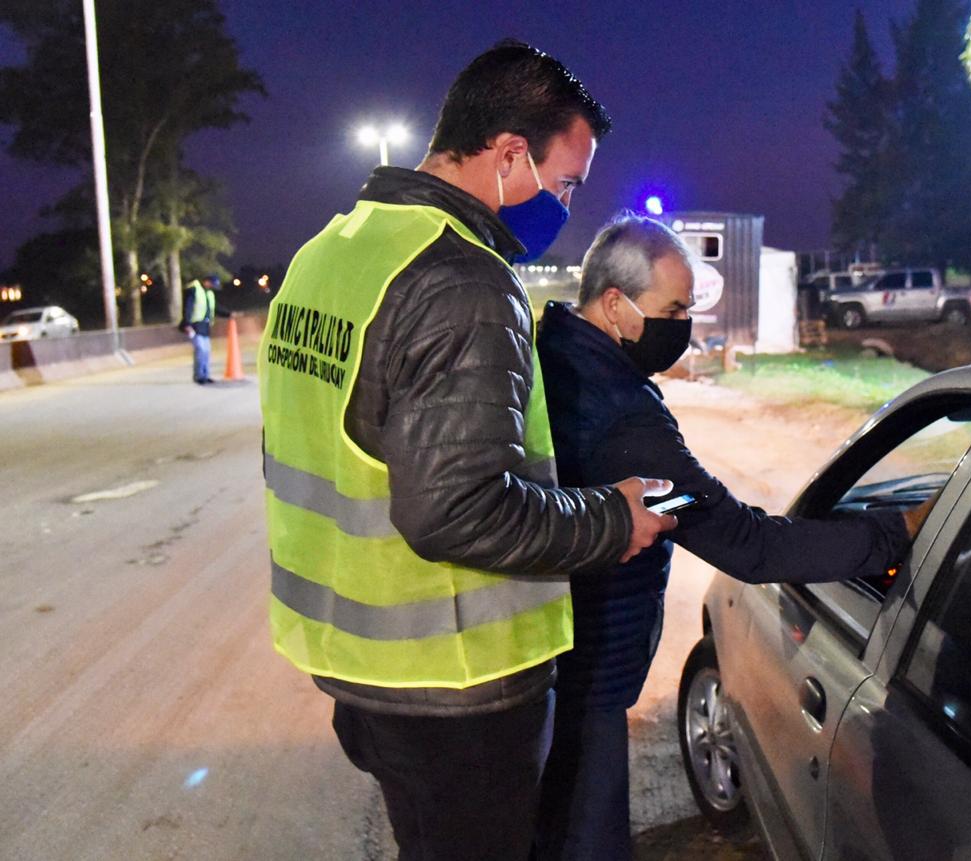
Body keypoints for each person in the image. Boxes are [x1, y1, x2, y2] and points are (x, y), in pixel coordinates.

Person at [257, 43, 675, 861]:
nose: (565, 205)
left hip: (357, 663)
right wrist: (612, 519)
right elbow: (457, 508)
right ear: (511, 154)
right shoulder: (462, 280)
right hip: (456, 685)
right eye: (566, 183)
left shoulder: (328, 254)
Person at [533, 215, 934, 861]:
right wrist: (897, 532)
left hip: (552, 661)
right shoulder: (622, 416)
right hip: (590, 675)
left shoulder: (547, 355)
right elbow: (749, 545)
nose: (683, 324)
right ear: (614, 304)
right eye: (673, 309)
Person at [180, 275, 231, 384]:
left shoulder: (209, 293)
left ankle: (205, 375)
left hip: (205, 327)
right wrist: (187, 324)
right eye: (212, 284)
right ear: (206, 281)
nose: (213, 287)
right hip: (195, 326)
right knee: (200, 350)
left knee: (206, 351)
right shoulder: (194, 290)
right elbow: (188, 308)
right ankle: (199, 376)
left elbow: (215, 308)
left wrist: (229, 314)